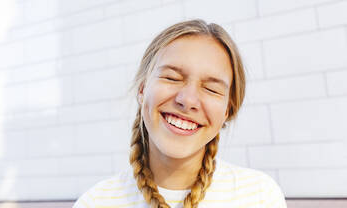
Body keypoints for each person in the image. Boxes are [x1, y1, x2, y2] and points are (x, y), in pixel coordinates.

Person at [73, 19, 287, 208]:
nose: (188, 100)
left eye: (211, 89)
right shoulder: (95, 202)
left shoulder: (260, 196)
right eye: (172, 78)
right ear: (142, 89)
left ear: (226, 112)